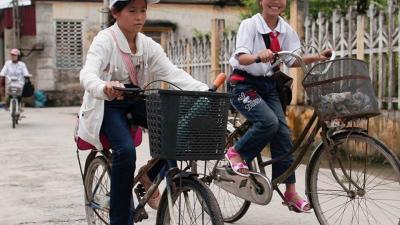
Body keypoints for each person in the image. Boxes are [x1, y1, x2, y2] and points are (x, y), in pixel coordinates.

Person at [77, 0, 209, 224]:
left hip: (137, 99)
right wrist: (103, 86)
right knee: (126, 152)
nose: (139, 16)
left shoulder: (148, 45)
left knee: (176, 130)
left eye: (143, 10)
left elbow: (172, 73)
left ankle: (150, 174)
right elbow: (87, 74)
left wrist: (204, 90)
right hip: (108, 103)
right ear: (116, 12)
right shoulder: (105, 40)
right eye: (132, 11)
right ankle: (121, 219)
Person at [225, 0, 332, 213]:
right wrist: (258, 55)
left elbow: (293, 60)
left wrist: (319, 57)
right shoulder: (250, 25)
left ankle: (290, 191)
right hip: (242, 84)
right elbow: (242, 57)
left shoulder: (286, 30)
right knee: (268, 122)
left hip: (269, 86)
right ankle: (236, 153)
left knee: (283, 131)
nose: (275, 2)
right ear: (260, 2)